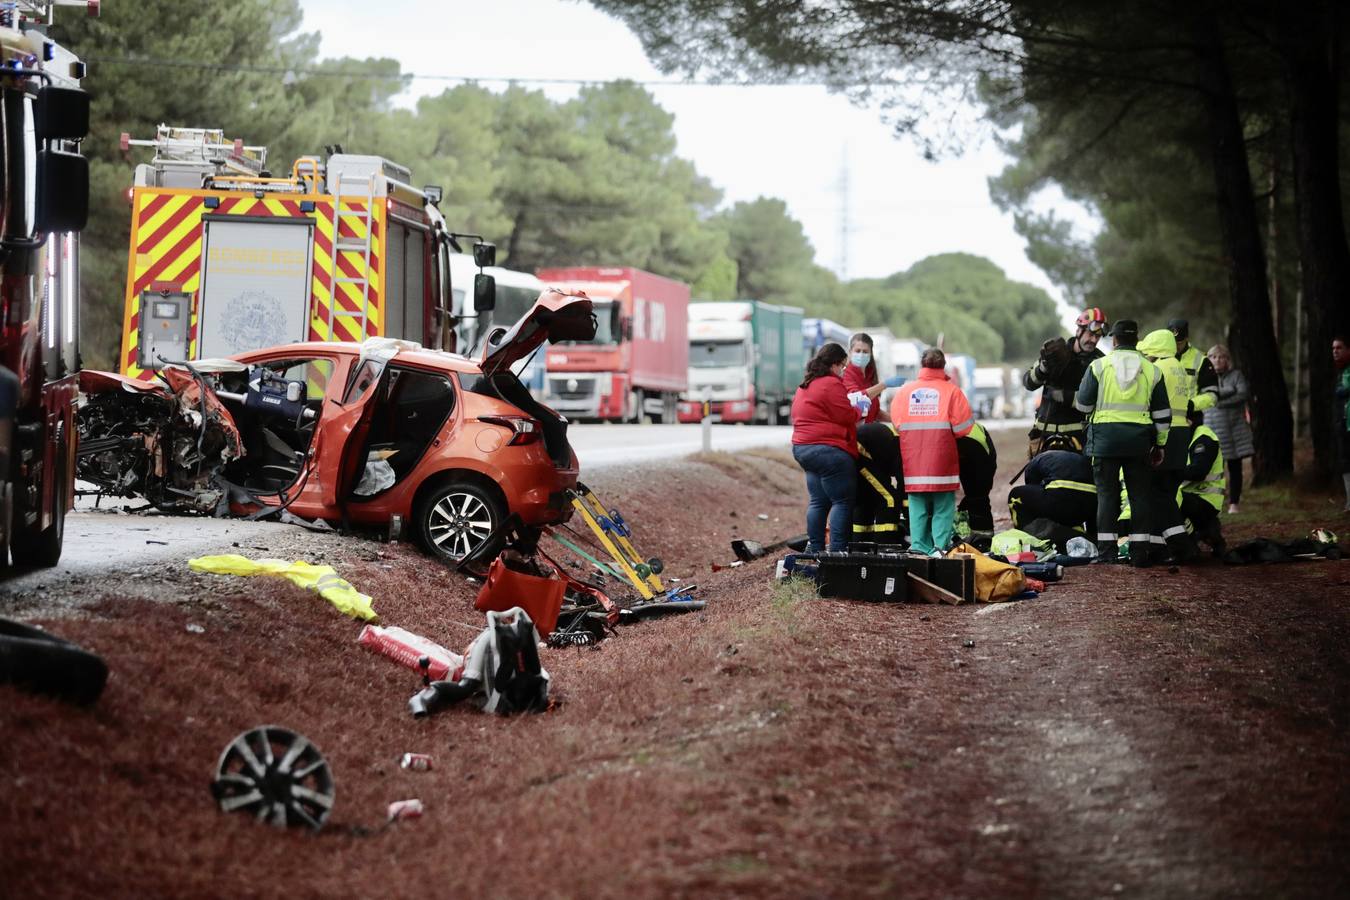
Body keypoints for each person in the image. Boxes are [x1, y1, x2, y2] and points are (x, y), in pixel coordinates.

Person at [1074, 319, 1171, 567]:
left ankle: (1107, 552)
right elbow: (1162, 415)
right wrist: (1159, 445)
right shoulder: (1152, 370)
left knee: (1107, 496)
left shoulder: (1099, 366)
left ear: (1114, 340)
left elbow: (1083, 406)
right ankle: (1140, 553)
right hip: (1139, 442)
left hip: (1105, 442)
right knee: (1139, 496)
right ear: (1136, 340)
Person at [891, 348, 974, 556]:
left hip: (914, 462)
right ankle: (939, 548)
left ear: (922, 365)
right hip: (942, 461)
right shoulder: (952, 391)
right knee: (943, 507)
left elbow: (897, 424)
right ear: (943, 366)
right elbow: (964, 428)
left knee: (918, 506)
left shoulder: (904, 393)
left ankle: (919, 546)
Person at [790, 342, 858, 552]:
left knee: (818, 501)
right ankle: (837, 551)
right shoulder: (831, 383)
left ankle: (815, 548)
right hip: (827, 451)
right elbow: (846, 415)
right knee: (842, 501)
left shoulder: (807, 383)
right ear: (835, 364)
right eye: (843, 366)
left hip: (802, 449)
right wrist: (859, 410)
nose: (843, 371)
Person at [1138, 329, 1197, 563]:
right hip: (1182, 434)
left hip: (1168, 434)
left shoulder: (1159, 368)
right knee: (1167, 491)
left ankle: (1182, 545)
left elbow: (1151, 401)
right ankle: (1157, 549)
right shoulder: (1178, 366)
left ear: (1155, 350)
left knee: (1157, 493)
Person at [1022, 307, 1107, 457]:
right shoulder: (1056, 353)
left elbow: (1100, 400)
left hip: (1079, 441)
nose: (1093, 340)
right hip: (1044, 438)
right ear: (1079, 330)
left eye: (1098, 337)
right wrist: (1043, 368)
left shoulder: (1100, 363)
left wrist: (1068, 397)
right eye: (1091, 334)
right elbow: (1029, 383)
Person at [1205, 344, 1253, 514]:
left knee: (1234, 467)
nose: (1218, 360)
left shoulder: (1236, 375)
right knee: (1214, 470)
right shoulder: (1204, 376)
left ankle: (1234, 503)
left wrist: (1219, 400)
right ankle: (1214, 503)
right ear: (1208, 359)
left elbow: (1242, 394)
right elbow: (1203, 395)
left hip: (1233, 430)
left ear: (1227, 360)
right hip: (1211, 428)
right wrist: (1228, 391)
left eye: (1221, 357)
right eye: (1214, 357)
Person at [1007, 450, 1096, 533]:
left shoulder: (1033, 464)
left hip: (1061, 497)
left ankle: (1027, 536)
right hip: (1091, 503)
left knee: (1015, 495)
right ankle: (1092, 538)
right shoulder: (1071, 457)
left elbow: (1034, 496)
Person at [1178, 407, 1226, 556]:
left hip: (1206, 499)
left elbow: (1198, 471)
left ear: (1188, 421)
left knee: (1167, 501)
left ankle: (1191, 540)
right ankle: (1205, 530)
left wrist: (1168, 472)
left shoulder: (1204, 438)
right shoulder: (1184, 436)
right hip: (1189, 495)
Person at [852, 421, 905, 544]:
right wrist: (907, 512)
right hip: (861, 454)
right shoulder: (901, 445)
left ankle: (861, 543)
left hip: (859, 453)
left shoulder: (893, 439)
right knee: (889, 499)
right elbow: (902, 481)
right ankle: (886, 543)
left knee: (867, 499)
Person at [842, 332, 904, 424]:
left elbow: (875, 412)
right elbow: (856, 398)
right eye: (858, 351)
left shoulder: (869, 376)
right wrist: (884, 385)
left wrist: (898, 420)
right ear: (850, 352)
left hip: (867, 430)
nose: (861, 354)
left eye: (865, 351)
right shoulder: (846, 375)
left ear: (871, 353)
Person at [956, 420, 996, 550]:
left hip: (975, 448)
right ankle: (982, 538)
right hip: (977, 445)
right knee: (977, 495)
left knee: (977, 496)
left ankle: (982, 539)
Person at [1168, 319, 1219, 415]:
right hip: (1162, 419)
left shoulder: (1201, 360)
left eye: (1179, 343)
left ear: (1187, 338)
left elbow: (1213, 395)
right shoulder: (1156, 357)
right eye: (1172, 342)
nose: (1175, 346)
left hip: (1191, 418)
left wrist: (1191, 405)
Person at [1335, 336, 1350, 513]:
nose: (1335, 352)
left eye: (1339, 348)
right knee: (1346, 462)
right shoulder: (1340, 371)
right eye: (1333, 349)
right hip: (1344, 424)